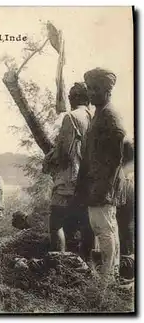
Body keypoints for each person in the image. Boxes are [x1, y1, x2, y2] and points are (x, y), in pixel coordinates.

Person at [75, 68, 126, 283]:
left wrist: (105, 185)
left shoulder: (110, 116)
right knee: (104, 227)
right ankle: (110, 275)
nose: (92, 93)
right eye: (90, 89)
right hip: (97, 181)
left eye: (97, 89)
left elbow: (116, 157)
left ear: (108, 91)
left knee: (103, 228)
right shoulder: (100, 114)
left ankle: (106, 278)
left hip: (105, 182)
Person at [42, 82, 93, 260]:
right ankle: (86, 267)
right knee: (87, 225)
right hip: (89, 180)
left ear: (78, 97)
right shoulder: (94, 116)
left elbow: (64, 153)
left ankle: (60, 265)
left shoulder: (71, 117)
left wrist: (49, 160)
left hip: (70, 178)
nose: (69, 99)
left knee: (56, 223)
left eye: (71, 96)